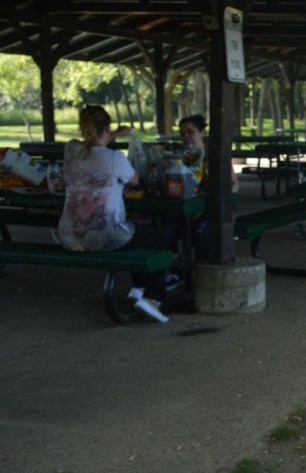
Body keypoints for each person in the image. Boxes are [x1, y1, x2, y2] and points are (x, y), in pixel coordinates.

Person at [59, 106, 170, 323]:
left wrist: (114, 134)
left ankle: (137, 289)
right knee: (158, 239)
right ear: (107, 128)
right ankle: (151, 299)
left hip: (70, 235)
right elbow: (135, 180)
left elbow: (91, 147)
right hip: (105, 234)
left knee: (137, 236)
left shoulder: (71, 149)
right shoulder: (115, 157)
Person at [163, 114, 239, 287]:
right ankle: (175, 272)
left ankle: (203, 277)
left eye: (190, 132)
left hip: (212, 209)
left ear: (202, 133)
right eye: (182, 133)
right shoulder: (180, 159)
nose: (186, 137)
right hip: (186, 208)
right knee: (167, 230)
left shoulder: (215, 156)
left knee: (202, 232)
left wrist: (227, 203)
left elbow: (234, 184)